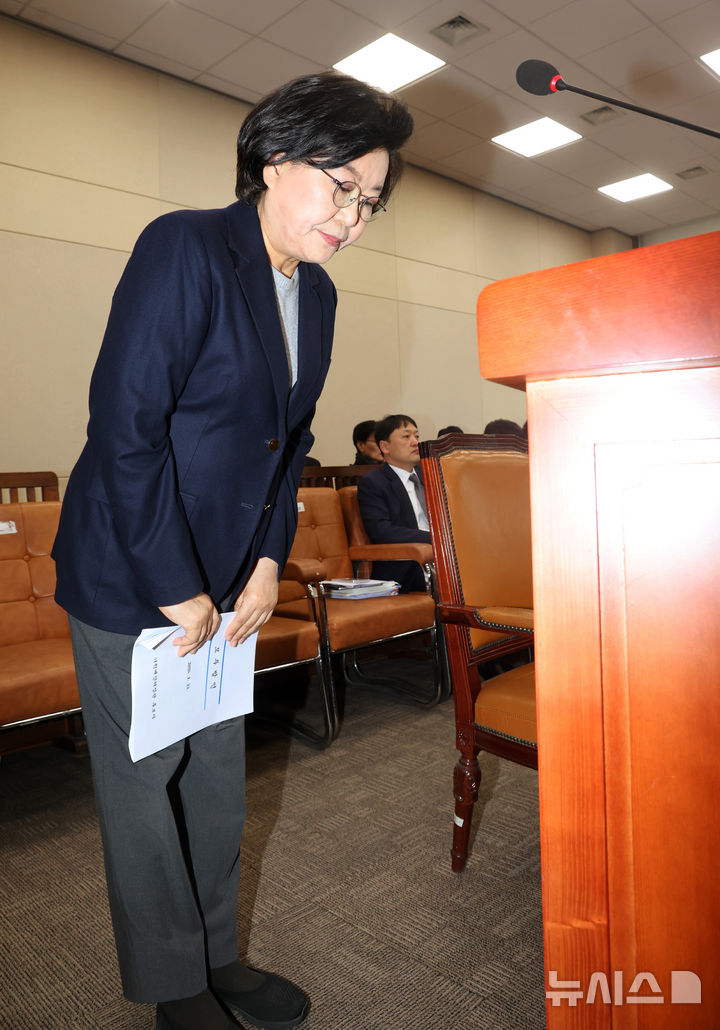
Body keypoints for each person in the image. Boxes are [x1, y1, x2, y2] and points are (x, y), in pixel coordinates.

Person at [52, 71, 413, 1030]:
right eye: (343, 185)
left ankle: (217, 955)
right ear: (274, 157)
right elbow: (124, 426)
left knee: (215, 781)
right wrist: (175, 584)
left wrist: (263, 564)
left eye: (371, 201)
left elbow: (287, 445)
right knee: (144, 789)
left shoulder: (317, 294)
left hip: (230, 578)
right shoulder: (185, 245)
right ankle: (175, 988)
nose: (354, 217)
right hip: (134, 568)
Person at [356, 413, 430, 593]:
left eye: (417, 436)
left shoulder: (431, 475)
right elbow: (382, 531)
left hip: (442, 560)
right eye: (406, 436)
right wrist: (436, 538)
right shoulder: (374, 483)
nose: (415, 442)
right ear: (385, 446)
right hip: (407, 567)